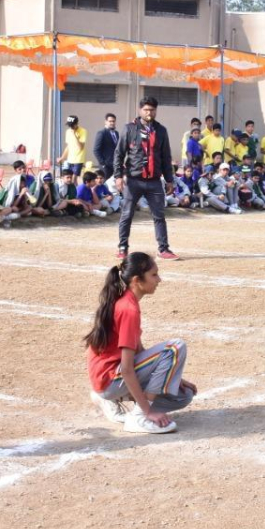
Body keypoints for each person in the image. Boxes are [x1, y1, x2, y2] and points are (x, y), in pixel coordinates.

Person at [85, 253, 196, 434]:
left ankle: (111, 399)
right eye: (154, 275)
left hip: (112, 379)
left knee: (182, 396)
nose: (159, 279)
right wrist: (147, 411)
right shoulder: (128, 308)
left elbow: (138, 350)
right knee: (175, 348)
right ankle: (139, 417)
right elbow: (127, 369)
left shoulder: (128, 301)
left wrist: (174, 376)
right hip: (110, 379)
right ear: (137, 280)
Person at [115, 97, 178, 262]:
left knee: (159, 216)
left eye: (152, 110)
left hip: (155, 181)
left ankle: (163, 249)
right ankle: (123, 247)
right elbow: (119, 154)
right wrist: (118, 176)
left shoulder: (161, 130)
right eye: (146, 110)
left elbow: (166, 156)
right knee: (126, 214)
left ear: (156, 111)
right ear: (140, 110)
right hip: (133, 181)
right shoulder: (129, 129)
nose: (149, 112)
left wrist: (169, 180)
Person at [90, 113, 120, 179]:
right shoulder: (101, 133)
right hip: (106, 167)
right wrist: (103, 164)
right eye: (110, 121)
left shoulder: (116, 133)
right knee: (105, 183)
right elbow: (96, 150)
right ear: (105, 122)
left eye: (113, 121)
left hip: (115, 165)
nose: (112, 123)